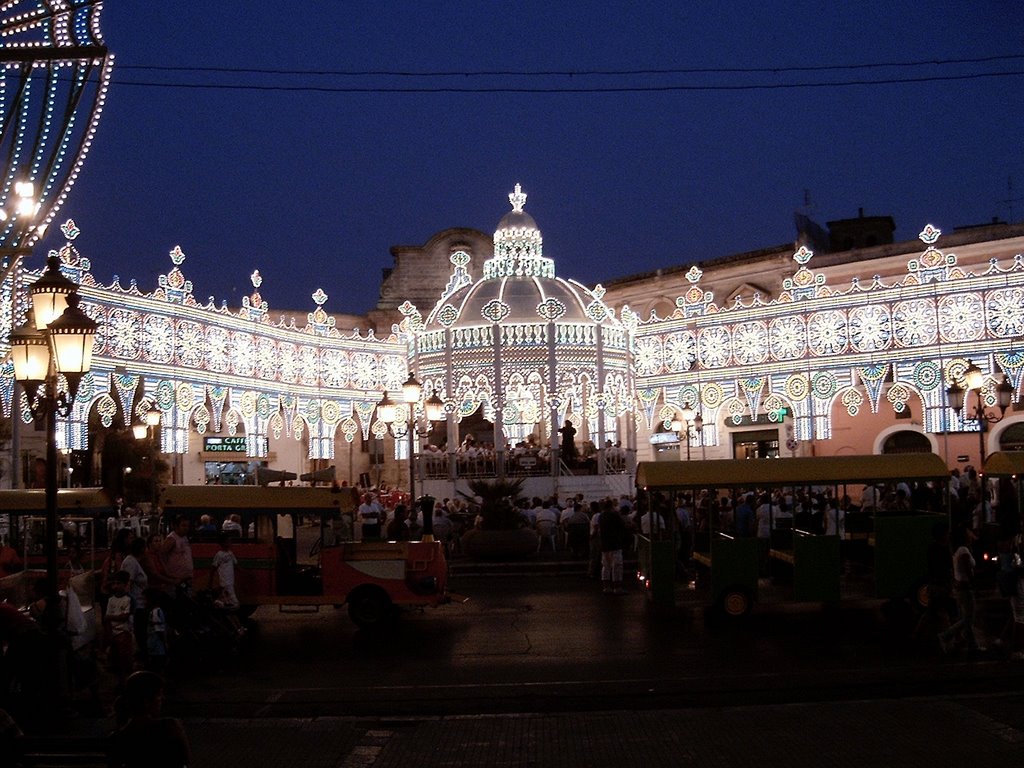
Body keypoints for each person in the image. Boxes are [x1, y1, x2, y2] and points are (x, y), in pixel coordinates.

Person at [109, 670, 192, 768]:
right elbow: (185, 760)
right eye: (159, 695)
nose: (162, 699)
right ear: (147, 701)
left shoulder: (118, 737)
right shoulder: (169, 726)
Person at [938, 526, 982, 657]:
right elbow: (967, 570)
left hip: (960, 588)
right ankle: (945, 635)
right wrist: (974, 585)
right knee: (968, 619)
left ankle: (973, 646)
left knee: (966, 618)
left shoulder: (957, 549)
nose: (970, 533)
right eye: (968, 531)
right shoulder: (963, 550)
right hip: (965, 588)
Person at [104, 571, 135, 692]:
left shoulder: (129, 599)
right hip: (114, 633)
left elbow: (125, 616)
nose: (116, 586)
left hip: (124, 633)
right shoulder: (111, 600)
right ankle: (121, 683)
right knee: (116, 661)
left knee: (124, 661)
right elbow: (108, 618)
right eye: (114, 583)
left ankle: (126, 683)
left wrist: (112, 618)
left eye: (119, 583)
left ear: (125, 584)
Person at [210, 533, 245, 636]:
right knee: (234, 605)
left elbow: (236, 565)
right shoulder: (219, 555)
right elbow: (213, 569)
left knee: (230, 608)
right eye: (228, 541)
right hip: (225, 584)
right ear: (222, 543)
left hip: (229, 583)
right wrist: (210, 584)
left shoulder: (230, 554)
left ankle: (237, 628)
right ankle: (237, 627)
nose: (230, 543)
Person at [159, 515, 194, 593]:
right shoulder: (172, 539)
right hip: (176, 579)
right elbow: (161, 554)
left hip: (186, 578)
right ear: (175, 526)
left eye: (187, 526)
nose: (186, 528)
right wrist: (167, 572)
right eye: (183, 525)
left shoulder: (184, 538)